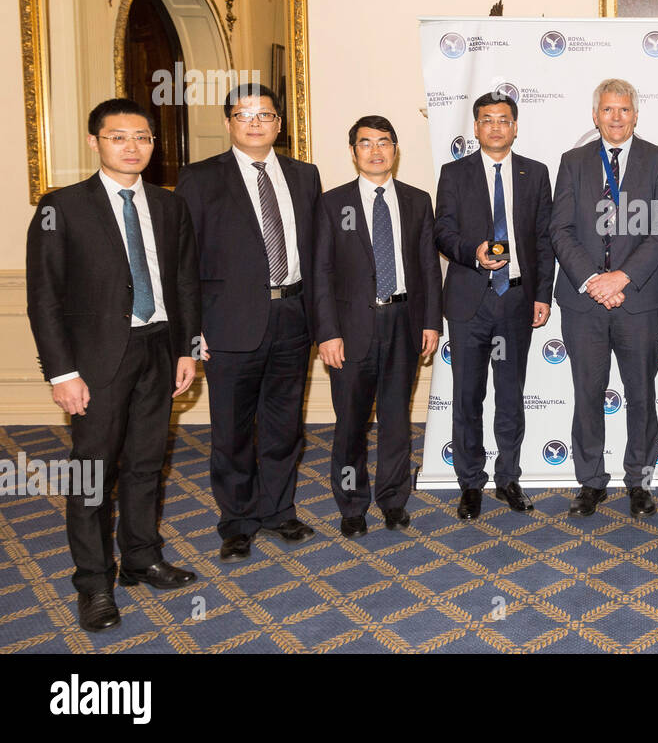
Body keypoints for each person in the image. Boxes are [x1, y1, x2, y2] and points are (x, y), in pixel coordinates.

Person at [26, 99, 201, 632]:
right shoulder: (62, 207)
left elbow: (185, 283)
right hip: (97, 361)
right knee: (93, 473)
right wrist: (61, 374)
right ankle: (94, 582)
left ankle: (142, 557)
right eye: (119, 136)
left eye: (143, 137)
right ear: (94, 142)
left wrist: (186, 350)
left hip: (158, 349)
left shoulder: (170, 206)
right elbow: (44, 298)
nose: (132, 146)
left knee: (148, 462)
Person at [175, 82, 321, 562]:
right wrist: (193, 332)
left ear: (280, 123)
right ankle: (237, 521)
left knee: (284, 427)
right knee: (232, 431)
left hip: (293, 316)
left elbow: (318, 255)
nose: (256, 123)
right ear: (229, 122)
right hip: (228, 325)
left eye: (265, 115)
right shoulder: (199, 178)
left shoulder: (304, 175)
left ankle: (279, 511)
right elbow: (185, 261)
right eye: (245, 115)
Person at [551, 78, 658, 517]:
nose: (616, 117)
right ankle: (590, 482)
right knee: (587, 392)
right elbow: (560, 229)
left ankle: (639, 484)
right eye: (608, 110)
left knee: (641, 393)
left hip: (638, 300)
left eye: (624, 110)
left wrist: (621, 278)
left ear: (636, 115)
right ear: (595, 115)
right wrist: (592, 280)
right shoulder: (573, 161)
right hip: (583, 301)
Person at [314, 117, 442, 537]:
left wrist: (430, 322)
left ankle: (392, 499)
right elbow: (321, 274)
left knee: (396, 420)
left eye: (383, 142)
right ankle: (351, 503)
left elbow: (427, 268)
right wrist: (327, 333)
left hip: (404, 324)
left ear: (396, 149)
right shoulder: (333, 204)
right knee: (350, 423)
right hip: (350, 331)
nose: (375, 151)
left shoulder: (417, 200)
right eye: (365, 144)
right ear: (353, 152)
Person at [433, 92, 554, 520]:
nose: (496, 127)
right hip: (471, 300)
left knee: (510, 396)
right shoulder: (454, 173)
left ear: (515, 127)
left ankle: (508, 478)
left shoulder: (535, 173)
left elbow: (543, 239)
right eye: (487, 120)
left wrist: (543, 294)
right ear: (476, 127)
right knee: (467, 396)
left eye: (504, 120)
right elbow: (442, 231)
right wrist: (473, 251)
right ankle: (470, 483)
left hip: (517, 299)